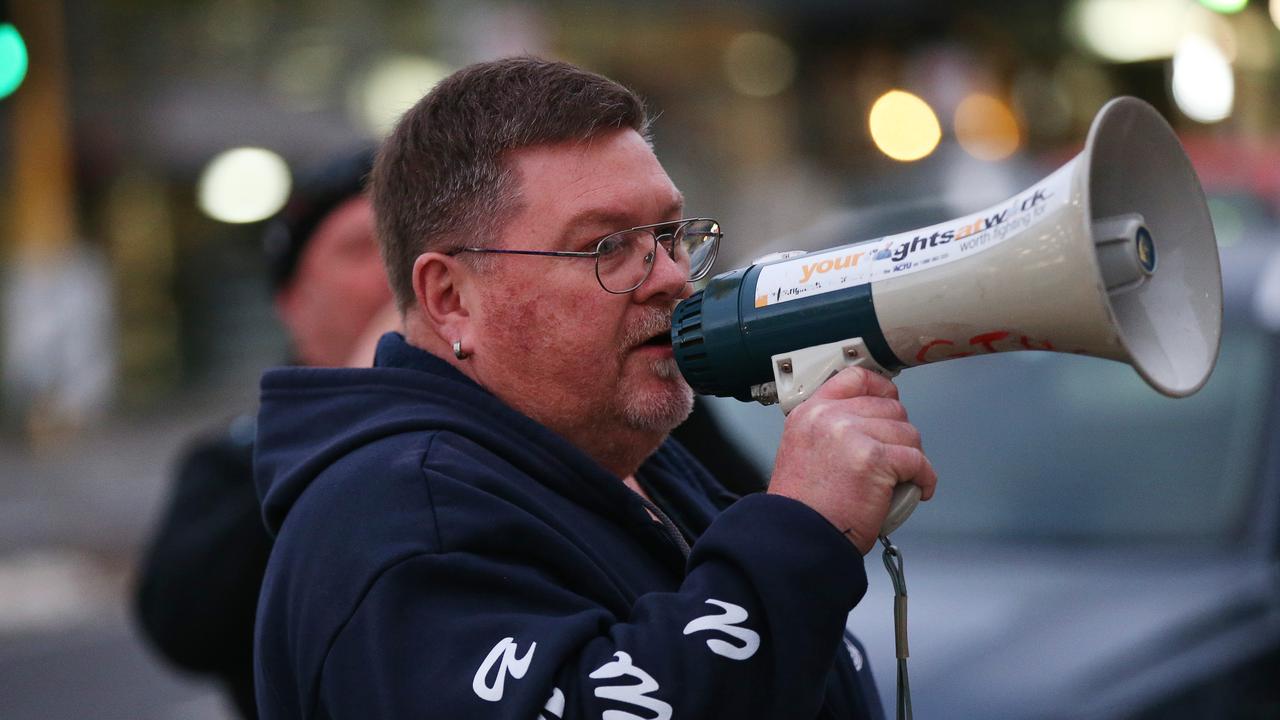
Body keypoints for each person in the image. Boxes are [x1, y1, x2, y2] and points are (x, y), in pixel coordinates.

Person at [253, 57, 936, 720]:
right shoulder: (395, 521)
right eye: (606, 245)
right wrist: (801, 532)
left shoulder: (620, 453)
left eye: (669, 235)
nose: (671, 276)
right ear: (451, 297)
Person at [133, 149, 394, 720]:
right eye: (360, 249)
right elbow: (185, 628)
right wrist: (359, 394)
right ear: (291, 303)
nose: (395, 272)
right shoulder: (234, 465)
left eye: (407, 244)